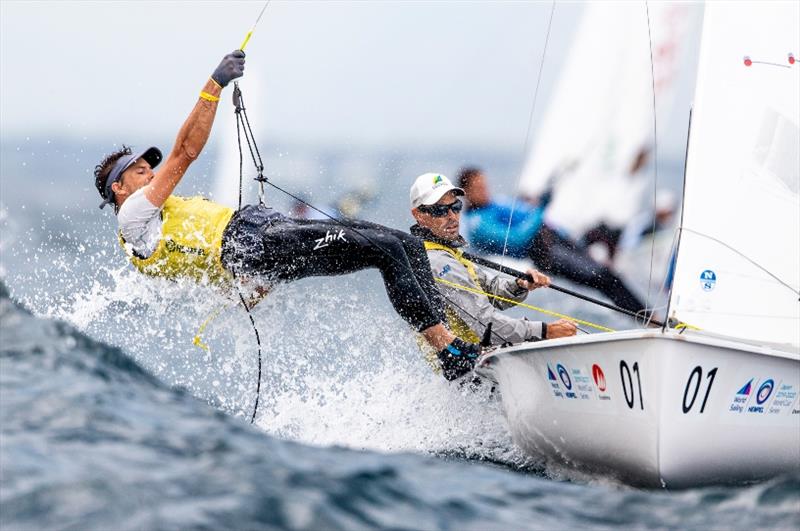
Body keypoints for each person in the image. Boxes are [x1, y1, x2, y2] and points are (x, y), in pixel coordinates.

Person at [93, 49, 480, 367]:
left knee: (404, 244)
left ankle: (455, 343)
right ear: (118, 189)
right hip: (254, 243)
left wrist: (255, 281)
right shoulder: (132, 217)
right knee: (389, 248)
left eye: (150, 168)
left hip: (263, 237)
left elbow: (207, 268)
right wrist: (215, 84)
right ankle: (446, 352)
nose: (151, 175)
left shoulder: (158, 223)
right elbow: (186, 151)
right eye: (140, 171)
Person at [409, 173, 577, 380]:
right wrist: (545, 330)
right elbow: (486, 325)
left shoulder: (446, 252)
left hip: (484, 364)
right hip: (473, 374)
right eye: (440, 210)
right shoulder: (438, 263)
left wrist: (521, 284)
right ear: (419, 215)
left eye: (455, 207)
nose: (452, 216)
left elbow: (492, 292)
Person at [457, 167, 648, 316]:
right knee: (604, 277)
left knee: (605, 234)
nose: (485, 191)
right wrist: (542, 206)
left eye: (485, 185)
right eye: (479, 188)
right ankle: (650, 319)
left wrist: (538, 201)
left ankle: (647, 314)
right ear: (466, 193)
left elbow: (526, 212)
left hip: (556, 239)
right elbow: (517, 238)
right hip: (544, 253)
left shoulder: (495, 204)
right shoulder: (477, 224)